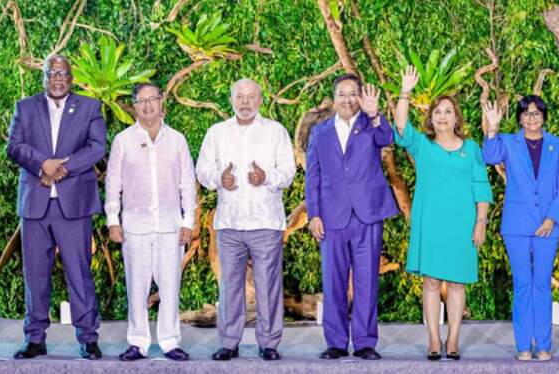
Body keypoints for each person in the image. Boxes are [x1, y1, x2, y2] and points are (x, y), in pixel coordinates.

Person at [6, 54, 107, 360]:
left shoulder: (90, 107)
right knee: (35, 274)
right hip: (35, 204)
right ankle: (35, 338)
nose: (57, 78)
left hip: (73, 204)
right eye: (52, 73)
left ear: (72, 78)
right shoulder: (24, 107)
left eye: (63, 73)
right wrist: (42, 165)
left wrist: (63, 167)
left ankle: (88, 337)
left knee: (79, 273)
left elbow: (97, 147)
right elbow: (14, 146)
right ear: (44, 77)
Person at [393, 66, 492, 361]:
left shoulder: (471, 148)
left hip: (463, 224)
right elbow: (400, 126)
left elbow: (481, 186)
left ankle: (453, 339)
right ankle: (434, 340)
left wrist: (481, 221)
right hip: (430, 223)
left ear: (456, 117)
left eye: (448, 111)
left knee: (458, 283)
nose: (442, 117)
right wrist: (405, 92)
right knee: (432, 283)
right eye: (437, 112)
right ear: (431, 118)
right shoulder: (422, 145)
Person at [196, 78, 295, 361]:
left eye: (251, 97)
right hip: (230, 223)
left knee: (268, 286)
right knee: (229, 287)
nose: (245, 102)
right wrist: (219, 178)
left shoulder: (275, 132)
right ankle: (229, 341)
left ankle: (269, 342)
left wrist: (267, 178)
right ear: (231, 99)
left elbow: (288, 171)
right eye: (240, 96)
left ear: (261, 100)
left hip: (266, 222)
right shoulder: (217, 133)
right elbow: (202, 169)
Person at [305, 73, 399, 360]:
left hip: (367, 214)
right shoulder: (319, 132)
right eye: (342, 94)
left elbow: (388, 137)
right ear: (334, 99)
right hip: (331, 216)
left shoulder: (371, 126)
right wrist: (314, 214)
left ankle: (364, 342)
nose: (347, 99)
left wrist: (375, 115)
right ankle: (335, 341)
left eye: (352, 94)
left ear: (360, 97)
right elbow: (313, 176)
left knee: (367, 280)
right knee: (333, 280)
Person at [105, 82, 196, 361]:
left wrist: (188, 221)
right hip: (135, 225)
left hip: (170, 225)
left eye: (152, 99)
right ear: (134, 105)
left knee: (170, 286)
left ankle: (170, 341)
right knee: (137, 286)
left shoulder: (177, 140)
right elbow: (113, 183)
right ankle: (138, 342)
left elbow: (187, 184)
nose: (147, 105)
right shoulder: (123, 140)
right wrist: (113, 219)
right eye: (141, 101)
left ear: (161, 102)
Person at [482, 95, 559, 361]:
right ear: (519, 118)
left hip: (547, 225)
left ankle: (543, 345)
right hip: (516, 225)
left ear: (544, 116)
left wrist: (552, 218)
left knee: (542, 284)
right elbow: (490, 156)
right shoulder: (508, 142)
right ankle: (523, 345)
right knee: (522, 284)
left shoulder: (557, 145)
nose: (532, 118)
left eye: (537, 113)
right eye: (527, 113)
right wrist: (492, 128)